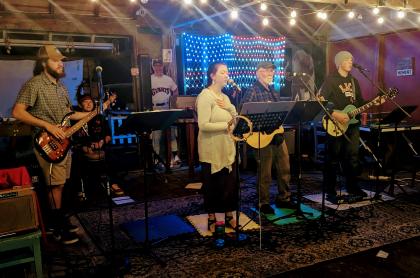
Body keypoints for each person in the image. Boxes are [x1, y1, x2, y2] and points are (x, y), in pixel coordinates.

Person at [12, 44, 108, 244]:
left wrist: (94, 113)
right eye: (56, 61)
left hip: (64, 142)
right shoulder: (34, 84)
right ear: (44, 63)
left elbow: (70, 114)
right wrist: (47, 126)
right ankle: (56, 228)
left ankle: (59, 220)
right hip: (47, 143)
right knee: (54, 186)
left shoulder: (62, 87)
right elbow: (18, 112)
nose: (60, 64)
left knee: (60, 185)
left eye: (61, 61)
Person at [319, 51, 383, 203]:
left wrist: (374, 102)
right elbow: (321, 101)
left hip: (352, 124)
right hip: (334, 124)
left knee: (353, 157)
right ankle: (330, 190)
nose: (350, 61)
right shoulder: (330, 80)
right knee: (332, 159)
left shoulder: (354, 81)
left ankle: (352, 187)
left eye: (351, 59)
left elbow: (359, 102)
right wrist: (335, 114)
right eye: (347, 59)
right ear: (339, 62)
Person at [240, 61, 293, 215]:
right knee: (265, 172)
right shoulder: (252, 90)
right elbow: (244, 113)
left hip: (276, 135)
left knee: (285, 168)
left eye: (272, 71)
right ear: (258, 72)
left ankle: (284, 198)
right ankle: (263, 202)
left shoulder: (273, 91)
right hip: (261, 137)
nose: (271, 73)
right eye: (267, 70)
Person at [196, 62, 238, 233]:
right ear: (212, 76)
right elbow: (203, 125)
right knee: (212, 185)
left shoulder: (226, 97)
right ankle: (211, 217)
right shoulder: (205, 96)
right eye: (222, 72)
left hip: (226, 147)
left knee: (229, 184)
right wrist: (226, 126)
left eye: (227, 72)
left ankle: (229, 215)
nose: (226, 75)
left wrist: (230, 110)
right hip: (211, 149)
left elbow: (235, 119)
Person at [72, 91, 124, 198]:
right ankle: (79, 189)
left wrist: (102, 141)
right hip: (83, 148)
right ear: (81, 105)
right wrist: (84, 147)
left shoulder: (99, 117)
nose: (88, 104)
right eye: (85, 102)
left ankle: (113, 183)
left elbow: (108, 136)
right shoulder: (76, 120)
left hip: (101, 147)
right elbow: (74, 139)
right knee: (76, 160)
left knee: (113, 156)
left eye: (90, 102)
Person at [151, 59, 181, 168]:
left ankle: (175, 157)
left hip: (167, 108)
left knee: (172, 133)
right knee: (156, 135)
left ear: (163, 67)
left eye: (160, 66)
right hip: (155, 109)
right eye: (156, 66)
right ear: (153, 67)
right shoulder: (149, 79)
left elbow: (176, 91)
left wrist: (173, 100)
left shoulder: (168, 79)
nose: (158, 68)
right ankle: (156, 159)